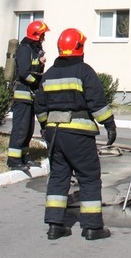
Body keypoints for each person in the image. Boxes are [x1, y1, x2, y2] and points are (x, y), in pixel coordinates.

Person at [34, 27, 117, 241]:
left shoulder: (49, 74)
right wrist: (109, 124)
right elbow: (96, 101)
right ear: (79, 47)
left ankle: (55, 226)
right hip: (78, 135)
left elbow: (40, 106)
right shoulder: (84, 71)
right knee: (88, 178)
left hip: (55, 135)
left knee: (59, 178)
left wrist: (46, 127)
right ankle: (92, 228)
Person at [7, 19, 49, 170]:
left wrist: (40, 62)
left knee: (29, 129)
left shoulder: (34, 49)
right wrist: (36, 83)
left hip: (30, 94)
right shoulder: (24, 49)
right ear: (36, 35)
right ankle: (13, 161)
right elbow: (24, 73)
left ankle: (23, 157)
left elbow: (34, 68)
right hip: (23, 94)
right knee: (21, 128)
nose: (44, 37)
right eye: (43, 35)